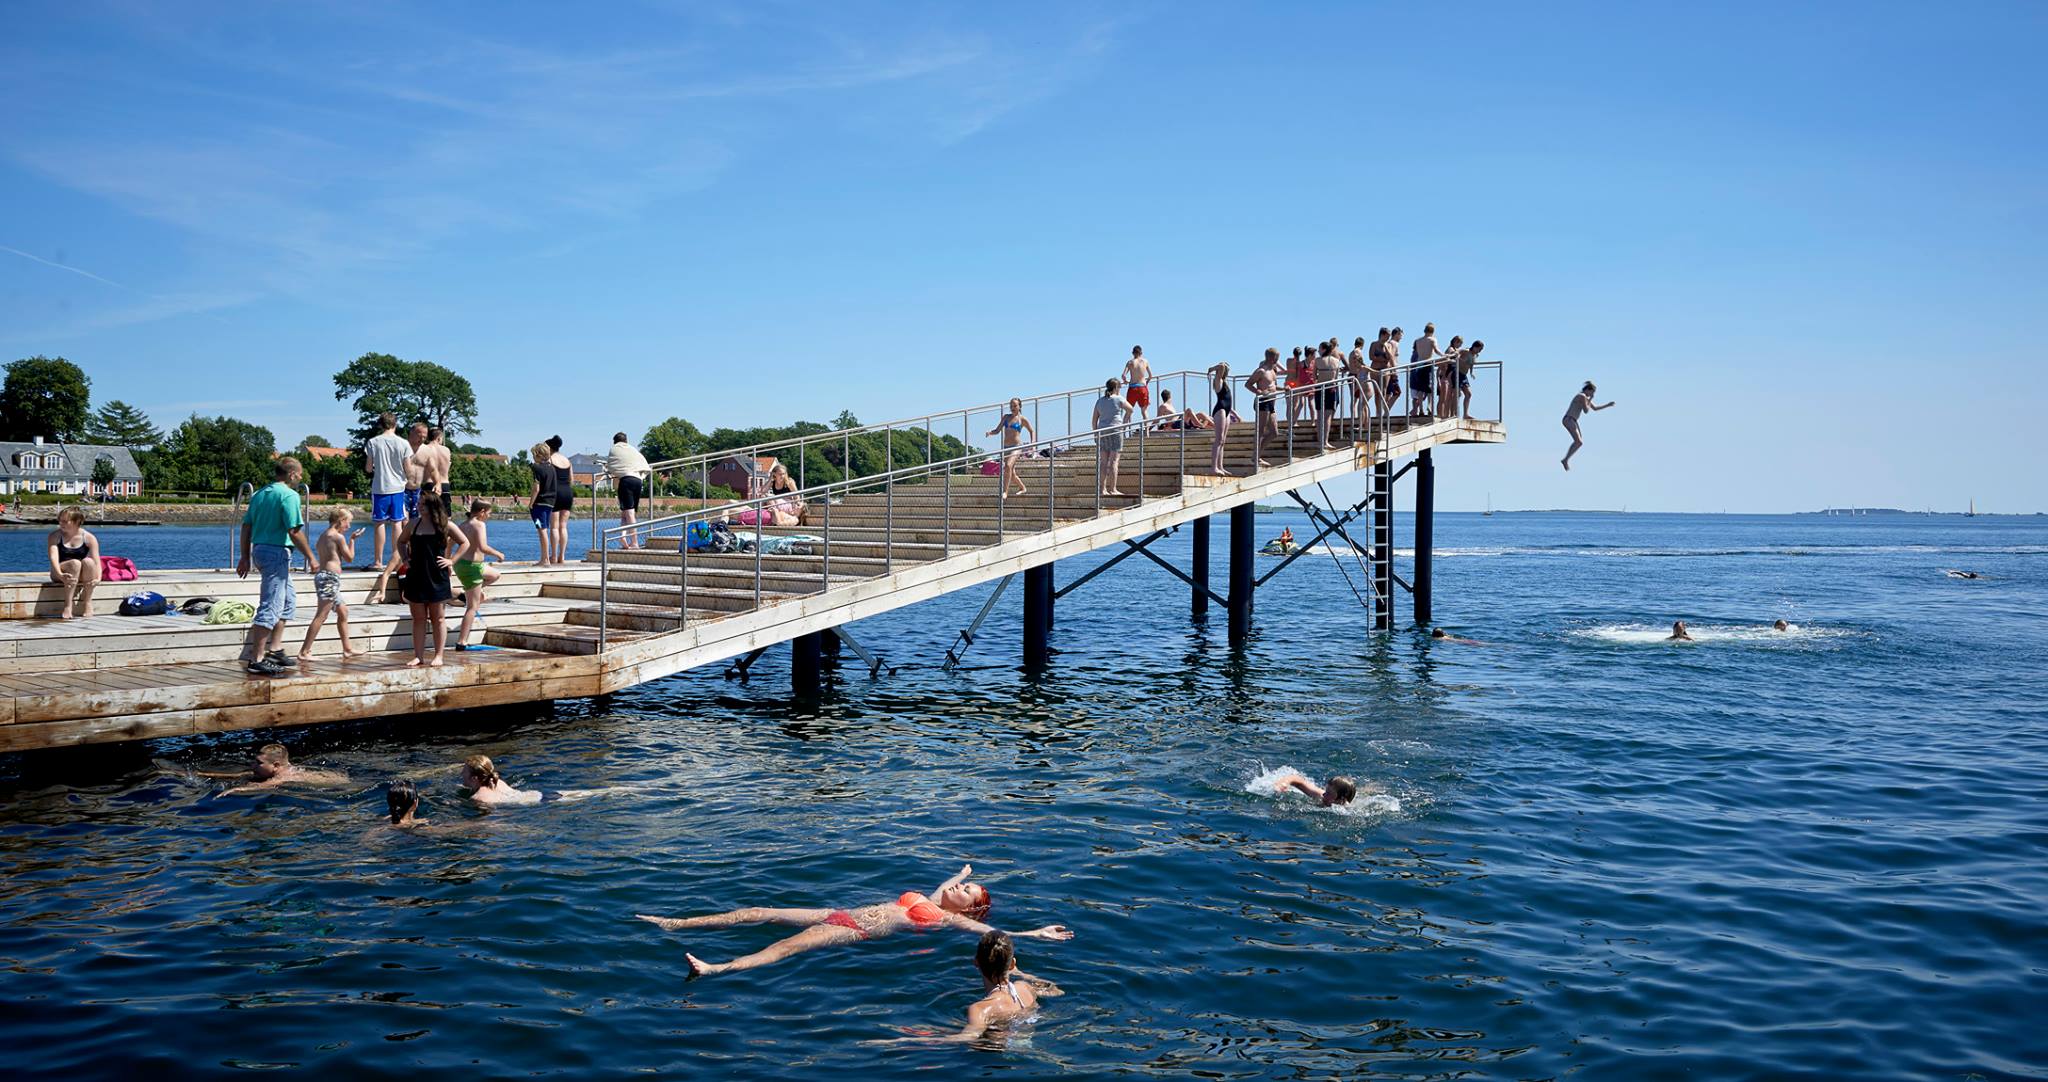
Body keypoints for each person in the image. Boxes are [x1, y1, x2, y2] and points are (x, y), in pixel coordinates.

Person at [636, 863, 1074, 978]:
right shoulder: (938, 899)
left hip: (855, 928)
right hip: (837, 912)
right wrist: (962, 874)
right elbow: (943, 886)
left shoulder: (950, 922)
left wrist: (1032, 932)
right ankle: (677, 923)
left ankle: (717, 968)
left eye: (966, 894)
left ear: (970, 909)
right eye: (961, 888)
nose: (957, 891)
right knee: (759, 910)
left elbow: (991, 932)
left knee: (783, 947)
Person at [871, 930, 1063, 1046]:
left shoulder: (980, 1009)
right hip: (1029, 1041)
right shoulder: (1025, 989)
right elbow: (1056, 991)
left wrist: (904, 1041)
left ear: (976, 963)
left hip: (1001, 1052)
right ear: (1012, 964)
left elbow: (966, 1038)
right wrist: (1023, 974)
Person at [237, 457, 320, 676]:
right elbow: (294, 531)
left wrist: (244, 556)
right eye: (300, 474)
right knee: (271, 605)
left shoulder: (260, 494)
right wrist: (311, 557)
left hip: (261, 550)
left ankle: (274, 648)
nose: (301, 478)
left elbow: (246, 526)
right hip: (276, 553)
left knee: (287, 600)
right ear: (292, 474)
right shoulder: (289, 496)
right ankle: (256, 659)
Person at [376, 491, 466, 667]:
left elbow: (465, 542)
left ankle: (439, 655)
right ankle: (418, 655)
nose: (419, 505)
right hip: (416, 574)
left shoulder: (445, 524)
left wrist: (451, 560)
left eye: (423, 504)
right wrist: (405, 559)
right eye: (419, 503)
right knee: (418, 618)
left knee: (438, 617)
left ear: (433, 505)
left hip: (437, 575)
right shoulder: (413, 524)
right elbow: (401, 542)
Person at [297, 507, 363, 662]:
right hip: (329, 579)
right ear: (341, 520)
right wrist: (352, 540)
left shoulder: (323, 536)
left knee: (343, 612)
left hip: (325, 577)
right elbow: (349, 558)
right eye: (348, 522)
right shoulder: (338, 537)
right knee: (322, 615)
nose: (348, 526)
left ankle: (347, 649)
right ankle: (304, 651)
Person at [453, 500, 504, 651]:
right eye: (488, 513)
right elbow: (482, 547)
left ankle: (472, 590)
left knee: (495, 575)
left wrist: (450, 560)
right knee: (472, 607)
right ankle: (462, 642)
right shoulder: (479, 525)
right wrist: (498, 554)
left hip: (462, 564)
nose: (488, 516)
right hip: (472, 567)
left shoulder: (462, 525)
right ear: (482, 511)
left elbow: (449, 542)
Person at [364, 412, 413, 569]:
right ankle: (396, 559)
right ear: (395, 424)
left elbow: (368, 468)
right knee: (397, 523)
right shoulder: (403, 443)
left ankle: (378, 561)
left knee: (379, 523)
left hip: (380, 487)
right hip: (398, 488)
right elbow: (408, 469)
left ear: (380, 425)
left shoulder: (373, 442)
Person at [211, 743, 348, 796]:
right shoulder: (282, 769)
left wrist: (233, 790)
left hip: (341, 786)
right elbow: (245, 774)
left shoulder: (284, 777)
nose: (253, 766)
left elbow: (262, 786)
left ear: (276, 765)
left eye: (258, 763)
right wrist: (207, 774)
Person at [45, 506, 100, 619]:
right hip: (60, 571)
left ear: (77, 522)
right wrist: (60, 575)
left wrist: (98, 578)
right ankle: (68, 606)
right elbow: (53, 558)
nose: (61, 523)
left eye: (65, 521)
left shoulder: (89, 538)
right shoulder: (54, 536)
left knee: (88, 562)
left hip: (81, 574)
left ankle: (87, 602)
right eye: (60, 520)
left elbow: (97, 561)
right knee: (75, 563)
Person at [605, 432, 652, 549]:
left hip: (626, 481)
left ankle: (634, 542)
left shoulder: (614, 449)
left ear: (614, 442)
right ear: (626, 441)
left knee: (629, 512)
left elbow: (611, 465)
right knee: (626, 512)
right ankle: (623, 536)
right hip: (638, 480)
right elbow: (642, 463)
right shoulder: (632, 449)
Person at [1561, 381, 1617, 471]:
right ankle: (1565, 460)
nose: (1593, 394)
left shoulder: (1585, 398)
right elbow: (1586, 411)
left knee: (1579, 442)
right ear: (1587, 390)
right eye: (1592, 392)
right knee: (1578, 442)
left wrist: (1608, 405)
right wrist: (1590, 399)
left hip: (1573, 420)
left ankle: (1565, 459)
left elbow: (1595, 409)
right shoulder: (1582, 396)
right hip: (1569, 419)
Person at [1092, 378, 1134, 497]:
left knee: (1104, 462)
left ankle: (1102, 489)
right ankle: (1113, 489)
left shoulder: (1100, 401)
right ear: (1116, 388)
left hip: (1103, 431)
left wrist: (1095, 433)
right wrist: (1124, 423)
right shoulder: (1119, 399)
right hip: (1116, 431)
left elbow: (1094, 419)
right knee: (1114, 461)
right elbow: (1130, 409)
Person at [985, 398, 1036, 496]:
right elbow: (997, 430)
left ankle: (1005, 491)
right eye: (1011, 406)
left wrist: (1032, 443)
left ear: (1019, 406)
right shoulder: (1005, 417)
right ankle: (1022, 487)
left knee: (1008, 466)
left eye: (1015, 405)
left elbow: (1031, 431)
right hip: (1006, 447)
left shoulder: (1022, 419)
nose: (1012, 408)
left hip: (1016, 447)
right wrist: (990, 433)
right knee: (1011, 473)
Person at [527, 440, 559, 566]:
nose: (533, 458)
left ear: (538, 455)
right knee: (545, 528)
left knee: (541, 529)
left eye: (534, 455)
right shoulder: (552, 468)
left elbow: (536, 488)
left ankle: (544, 559)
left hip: (538, 505)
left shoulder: (536, 468)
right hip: (550, 503)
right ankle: (546, 558)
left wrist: (531, 503)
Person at [547, 436, 575, 565]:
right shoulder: (567, 460)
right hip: (568, 492)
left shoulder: (550, 459)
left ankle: (553, 556)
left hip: (555, 492)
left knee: (554, 527)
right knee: (563, 526)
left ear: (550, 447)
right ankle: (562, 556)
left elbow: (546, 478)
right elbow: (571, 479)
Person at [1313, 341, 1345, 447]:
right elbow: (1336, 377)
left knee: (1319, 415)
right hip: (1331, 388)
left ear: (1324, 349)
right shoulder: (1336, 361)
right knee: (1327, 417)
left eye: (1319, 348)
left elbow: (1314, 378)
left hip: (1320, 388)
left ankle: (1320, 441)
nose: (1318, 350)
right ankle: (1325, 441)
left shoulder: (1317, 361)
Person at [1207, 361, 1236, 476]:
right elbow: (1222, 366)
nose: (1227, 370)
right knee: (1218, 439)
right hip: (1220, 410)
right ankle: (1213, 467)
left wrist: (1235, 414)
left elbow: (1228, 399)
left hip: (1227, 410)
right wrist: (1212, 368)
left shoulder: (1225, 382)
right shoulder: (1218, 380)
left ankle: (1220, 466)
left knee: (1222, 441)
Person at [413, 426, 453, 506]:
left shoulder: (422, 449)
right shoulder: (446, 450)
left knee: (427, 515)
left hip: (428, 484)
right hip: (444, 485)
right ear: (439, 438)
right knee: (445, 516)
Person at [1408, 323, 1439, 419]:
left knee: (1421, 388)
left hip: (1419, 365)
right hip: (1428, 364)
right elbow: (1436, 350)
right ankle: (1429, 407)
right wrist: (1444, 356)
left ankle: (1420, 408)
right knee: (1429, 387)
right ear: (1433, 331)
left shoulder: (1418, 341)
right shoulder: (1432, 339)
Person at [1272, 772, 1358, 806]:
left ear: (1341, 800)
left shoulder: (1348, 811)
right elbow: (1297, 779)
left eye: (1329, 793)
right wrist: (1284, 783)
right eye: (1326, 791)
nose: (1324, 794)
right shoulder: (1320, 795)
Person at [402, 422, 428, 518]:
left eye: (424, 437)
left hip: (417, 490)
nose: (422, 440)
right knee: (403, 520)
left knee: (416, 520)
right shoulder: (401, 447)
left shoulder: (426, 449)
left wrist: (437, 483)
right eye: (420, 436)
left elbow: (433, 470)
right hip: (402, 489)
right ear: (411, 433)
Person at [1434, 336, 1463, 420]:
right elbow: (1443, 362)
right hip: (1445, 377)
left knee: (1449, 397)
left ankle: (1447, 414)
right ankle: (1441, 415)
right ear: (1456, 342)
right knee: (1443, 398)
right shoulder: (1450, 350)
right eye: (1459, 343)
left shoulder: (1454, 350)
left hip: (1449, 376)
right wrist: (1455, 359)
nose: (1460, 346)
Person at [1122, 346, 1152, 415]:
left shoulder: (1130, 362)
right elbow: (1150, 376)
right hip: (1142, 387)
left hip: (1132, 387)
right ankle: (1146, 426)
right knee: (1144, 411)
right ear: (1141, 353)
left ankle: (1124, 426)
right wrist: (1146, 383)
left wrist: (1125, 381)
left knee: (1128, 412)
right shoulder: (1145, 361)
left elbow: (1123, 375)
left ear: (1133, 353)